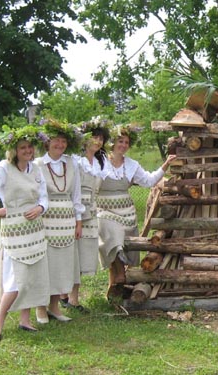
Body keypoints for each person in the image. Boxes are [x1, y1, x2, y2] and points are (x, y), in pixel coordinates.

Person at [0, 125, 49, 342]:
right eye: (22, 147)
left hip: (35, 230)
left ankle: (25, 320)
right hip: (14, 231)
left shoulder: (35, 169)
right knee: (15, 279)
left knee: (32, 276)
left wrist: (41, 208)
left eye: (30, 147)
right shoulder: (3, 169)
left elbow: (44, 197)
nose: (27, 150)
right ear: (14, 150)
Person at [97, 124, 176, 295]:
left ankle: (121, 284)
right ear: (112, 142)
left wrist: (165, 165)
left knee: (127, 246)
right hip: (104, 210)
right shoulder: (100, 162)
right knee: (112, 237)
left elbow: (148, 181)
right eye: (120, 141)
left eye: (126, 142)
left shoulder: (132, 165)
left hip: (126, 211)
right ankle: (118, 275)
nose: (123, 145)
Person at [34, 118, 85, 323]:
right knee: (46, 264)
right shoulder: (38, 164)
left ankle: (55, 307)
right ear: (47, 142)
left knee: (62, 264)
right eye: (56, 140)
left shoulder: (71, 163)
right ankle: (40, 308)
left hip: (67, 219)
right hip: (45, 219)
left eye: (63, 141)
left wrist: (78, 220)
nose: (60, 145)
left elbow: (77, 193)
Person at [60, 118, 111, 312]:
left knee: (82, 254)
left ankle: (72, 297)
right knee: (70, 254)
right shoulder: (75, 160)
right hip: (75, 211)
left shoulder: (100, 162)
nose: (98, 142)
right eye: (94, 138)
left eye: (100, 139)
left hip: (91, 212)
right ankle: (64, 295)